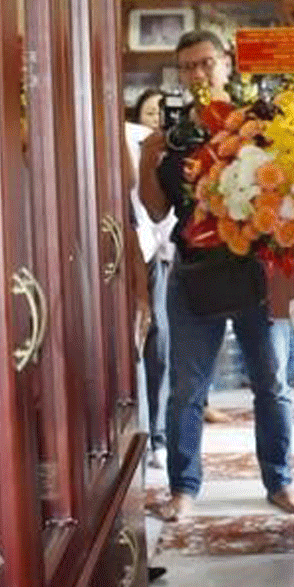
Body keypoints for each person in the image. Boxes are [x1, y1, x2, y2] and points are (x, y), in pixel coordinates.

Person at [137, 29, 294, 521]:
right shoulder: (177, 133)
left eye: (207, 63)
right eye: (188, 68)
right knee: (188, 387)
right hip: (193, 272)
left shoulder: (259, 122)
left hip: (256, 270)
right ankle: (183, 488)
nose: (199, 75)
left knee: (272, 383)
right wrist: (149, 156)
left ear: (228, 64)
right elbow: (156, 208)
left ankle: (281, 479)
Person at [125, 89, 175, 469]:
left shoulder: (178, 139)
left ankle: (157, 435)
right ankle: (139, 436)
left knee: (159, 342)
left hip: (152, 250)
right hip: (130, 246)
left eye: (163, 110)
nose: (157, 116)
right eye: (151, 110)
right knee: (134, 347)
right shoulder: (124, 135)